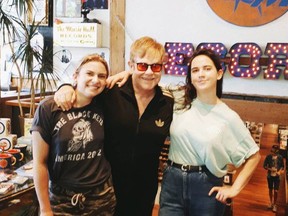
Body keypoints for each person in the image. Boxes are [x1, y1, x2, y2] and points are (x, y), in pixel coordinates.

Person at [54, 36, 174, 216]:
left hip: (144, 189)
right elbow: (85, 90)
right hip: (105, 187)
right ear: (131, 65)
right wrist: (64, 87)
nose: (149, 72)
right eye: (142, 65)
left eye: (156, 66)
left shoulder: (167, 102)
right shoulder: (111, 92)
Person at [158, 48, 261, 215]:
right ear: (190, 77)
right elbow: (148, 83)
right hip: (172, 183)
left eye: (207, 69)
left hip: (206, 187)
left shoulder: (228, 117)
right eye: (195, 70)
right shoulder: (180, 100)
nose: (201, 74)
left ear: (219, 74)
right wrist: (124, 75)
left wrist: (234, 189)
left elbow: (254, 156)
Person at [32, 54, 116, 216]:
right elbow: (39, 163)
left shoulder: (104, 104)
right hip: (61, 198)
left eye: (102, 76)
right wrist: (45, 209)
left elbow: (129, 78)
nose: (96, 80)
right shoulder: (49, 108)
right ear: (75, 76)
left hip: (101, 195)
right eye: (89, 74)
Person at [263, 144, 284, 213]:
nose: (272, 151)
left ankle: (275, 204)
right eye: (272, 149)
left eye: (274, 150)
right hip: (270, 176)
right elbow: (264, 166)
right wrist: (269, 169)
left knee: (276, 191)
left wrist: (279, 172)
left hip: (277, 177)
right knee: (270, 189)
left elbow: (282, 167)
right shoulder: (268, 157)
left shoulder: (280, 158)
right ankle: (271, 203)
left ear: (277, 150)